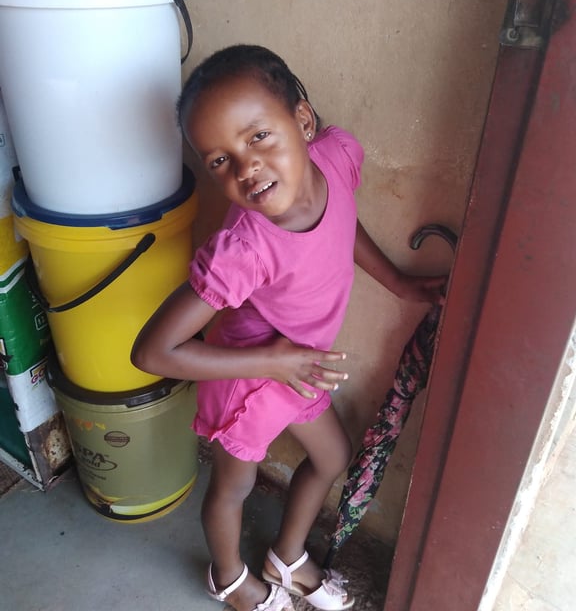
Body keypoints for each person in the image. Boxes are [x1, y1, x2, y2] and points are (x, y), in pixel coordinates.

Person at [131, 45, 445, 611]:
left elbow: (342, 220)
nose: (246, 168)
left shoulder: (335, 160)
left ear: (302, 121)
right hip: (248, 374)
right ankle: (230, 580)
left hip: (296, 364)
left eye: (258, 137)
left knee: (332, 457)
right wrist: (272, 362)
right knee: (234, 487)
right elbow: (153, 352)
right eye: (219, 161)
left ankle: (287, 557)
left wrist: (399, 282)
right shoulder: (243, 248)